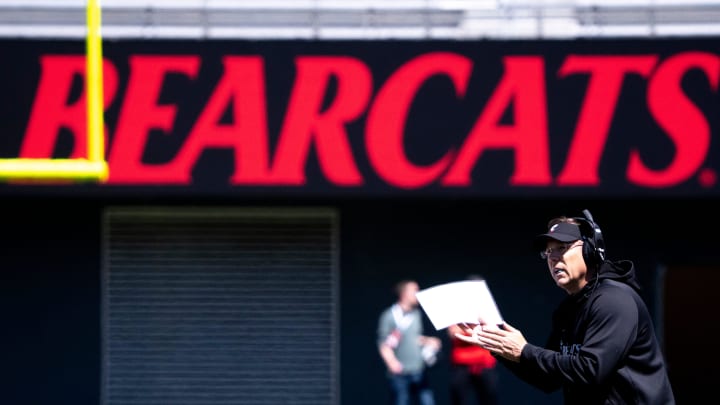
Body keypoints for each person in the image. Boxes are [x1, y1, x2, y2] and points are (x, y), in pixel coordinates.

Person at [456, 210, 675, 404]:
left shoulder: (614, 300)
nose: (553, 258)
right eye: (549, 252)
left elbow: (591, 370)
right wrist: (497, 344)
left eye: (562, 247)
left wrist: (524, 350)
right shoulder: (568, 309)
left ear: (590, 250)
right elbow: (547, 378)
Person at [378, 279, 442, 405]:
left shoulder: (417, 314)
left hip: (418, 369)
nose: (418, 294)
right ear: (404, 294)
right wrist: (392, 363)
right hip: (400, 372)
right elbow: (383, 343)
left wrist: (430, 341)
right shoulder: (389, 315)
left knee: (427, 401)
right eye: (415, 290)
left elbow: (415, 338)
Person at [447, 275, 499, 405]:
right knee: (458, 399)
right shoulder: (458, 307)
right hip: (462, 364)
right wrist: (477, 330)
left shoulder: (488, 307)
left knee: (489, 399)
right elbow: (453, 332)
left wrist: (472, 330)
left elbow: (494, 330)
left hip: (485, 363)